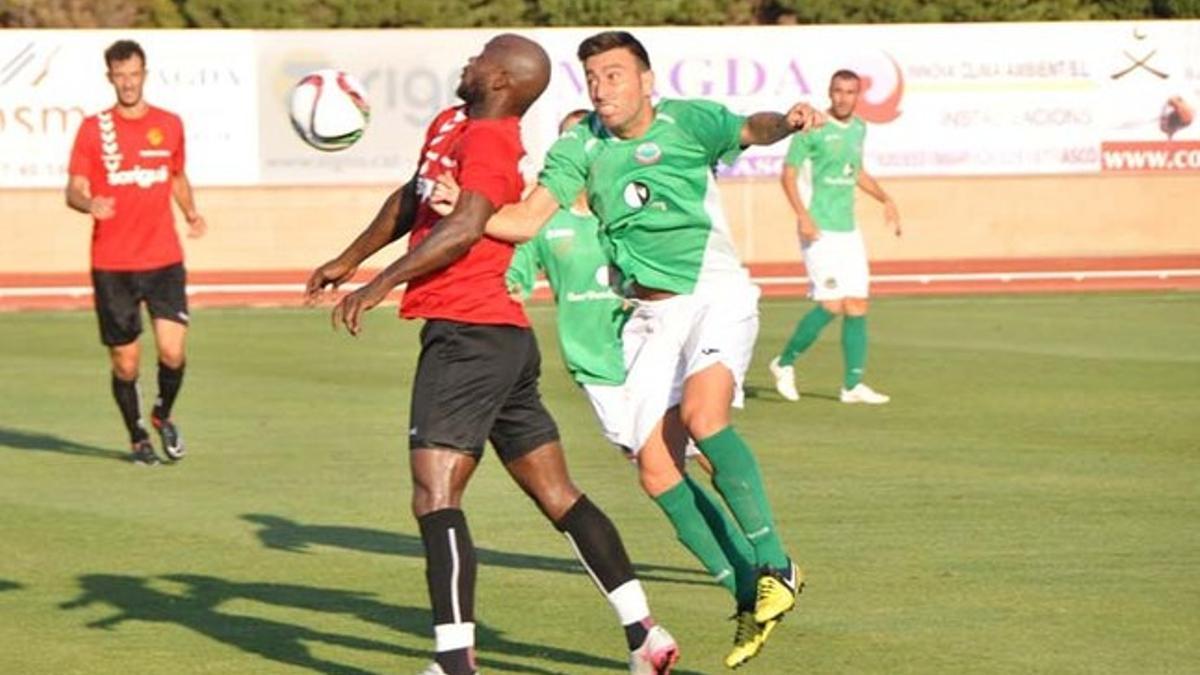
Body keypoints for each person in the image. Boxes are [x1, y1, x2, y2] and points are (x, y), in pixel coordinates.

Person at [439, 30, 819, 670]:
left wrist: (787, 120)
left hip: (711, 290)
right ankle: (748, 590)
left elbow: (750, 128)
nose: (600, 87)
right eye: (591, 76)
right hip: (650, 317)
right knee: (656, 470)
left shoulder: (688, 121)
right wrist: (466, 212)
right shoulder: (580, 142)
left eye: (614, 74)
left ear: (646, 80)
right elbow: (528, 219)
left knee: (705, 418)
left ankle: (776, 564)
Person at [303, 35, 678, 675]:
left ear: (501, 80)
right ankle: (644, 633)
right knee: (558, 493)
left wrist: (382, 283)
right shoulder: (451, 121)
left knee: (434, 494)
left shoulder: (493, 141)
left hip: (469, 336)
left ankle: (454, 663)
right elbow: (413, 196)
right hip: (498, 340)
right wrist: (351, 256)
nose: (469, 60)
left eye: (482, 57)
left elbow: (465, 225)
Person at [65, 39, 207, 466]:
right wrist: (90, 203)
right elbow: (73, 188)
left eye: (134, 74)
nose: (128, 83)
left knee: (173, 351)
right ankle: (136, 436)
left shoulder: (169, 123)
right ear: (110, 77)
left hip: (163, 258)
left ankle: (162, 415)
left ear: (145, 74)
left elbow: (177, 175)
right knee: (126, 363)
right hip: (113, 264)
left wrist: (191, 213)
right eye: (120, 75)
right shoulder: (94, 129)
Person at [768, 69, 901, 405]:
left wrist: (885, 199)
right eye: (838, 91)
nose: (843, 97)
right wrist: (803, 216)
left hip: (848, 229)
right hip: (819, 229)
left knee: (857, 304)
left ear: (858, 96)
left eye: (850, 92)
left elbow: (855, 171)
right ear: (830, 93)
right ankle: (783, 364)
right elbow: (788, 174)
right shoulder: (813, 128)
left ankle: (852, 385)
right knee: (830, 304)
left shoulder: (858, 128)